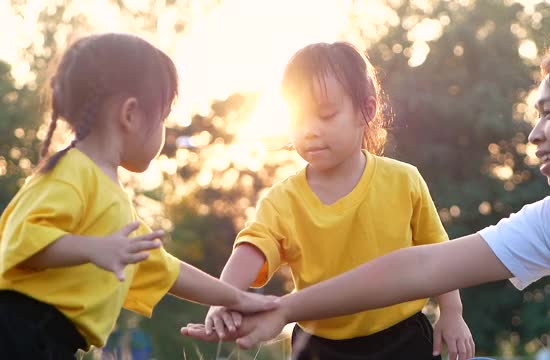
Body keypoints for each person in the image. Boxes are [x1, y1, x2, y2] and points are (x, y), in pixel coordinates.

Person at [182, 42, 550, 359]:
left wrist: (451, 314)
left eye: (548, 113)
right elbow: (421, 266)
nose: (534, 132)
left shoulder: (401, 180)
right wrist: (272, 307)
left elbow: (424, 261)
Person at [189, 41, 474, 360]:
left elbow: (439, 255)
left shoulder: (403, 180)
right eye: (297, 118)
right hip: (317, 346)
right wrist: (223, 299)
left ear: (367, 109)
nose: (309, 131)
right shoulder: (283, 199)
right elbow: (252, 249)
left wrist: (452, 312)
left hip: (403, 337)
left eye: (325, 115)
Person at [0, 33, 276, 359]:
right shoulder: (71, 173)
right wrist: (94, 248)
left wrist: (239, 298)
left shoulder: (112, 197)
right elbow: (22, 240)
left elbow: (169, 269)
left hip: (52, 343)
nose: (164, 131)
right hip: (18, 331)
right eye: (162, 118)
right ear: (130, 114)